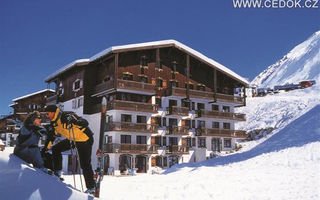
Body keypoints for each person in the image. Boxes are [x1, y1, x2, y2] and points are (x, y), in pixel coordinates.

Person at [44, 105, 95, 194]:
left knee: (85, 164)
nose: (46, 116)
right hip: (74, 139)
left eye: (47, 114)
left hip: (85, 139)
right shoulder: (54, 123)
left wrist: (75, 121)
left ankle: (91, 188)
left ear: (52, 112)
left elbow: (85, 122)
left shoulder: (66, 115)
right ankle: (58, 172)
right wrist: (46, 148)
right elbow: (51, 137)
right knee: (56, 149)